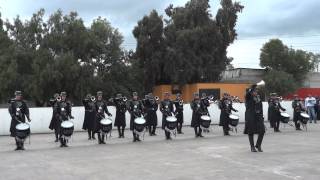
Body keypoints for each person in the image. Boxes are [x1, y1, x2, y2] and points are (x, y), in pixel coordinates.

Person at [244, 85, 265, 152]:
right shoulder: (248, 97)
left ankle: (258, 145)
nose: (256, 92)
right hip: (251, 117)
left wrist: (261, 116)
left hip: (259, 117)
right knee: (251, 132)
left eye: (257, 91)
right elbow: (247, 94)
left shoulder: (258, 98)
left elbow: (261, 107)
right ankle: (252, 147)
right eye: (255, 91)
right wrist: (251, 88)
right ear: (252, 92)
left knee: (262, 131)